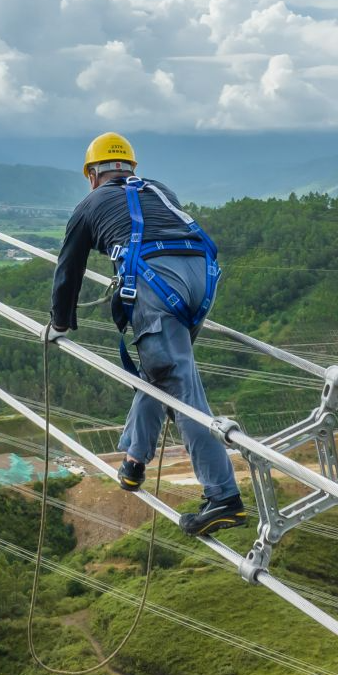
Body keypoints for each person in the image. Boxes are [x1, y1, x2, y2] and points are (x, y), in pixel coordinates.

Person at [48, 131, 246, 537]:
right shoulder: (160, 189)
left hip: (158, 280)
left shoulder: (89, 205)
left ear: (92, 175)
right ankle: (135, 461)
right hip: (200, 277)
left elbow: (68, 271)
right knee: (161, 374)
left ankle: (223, 497)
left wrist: (61, 323)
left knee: (180, 388)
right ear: (130, 168)